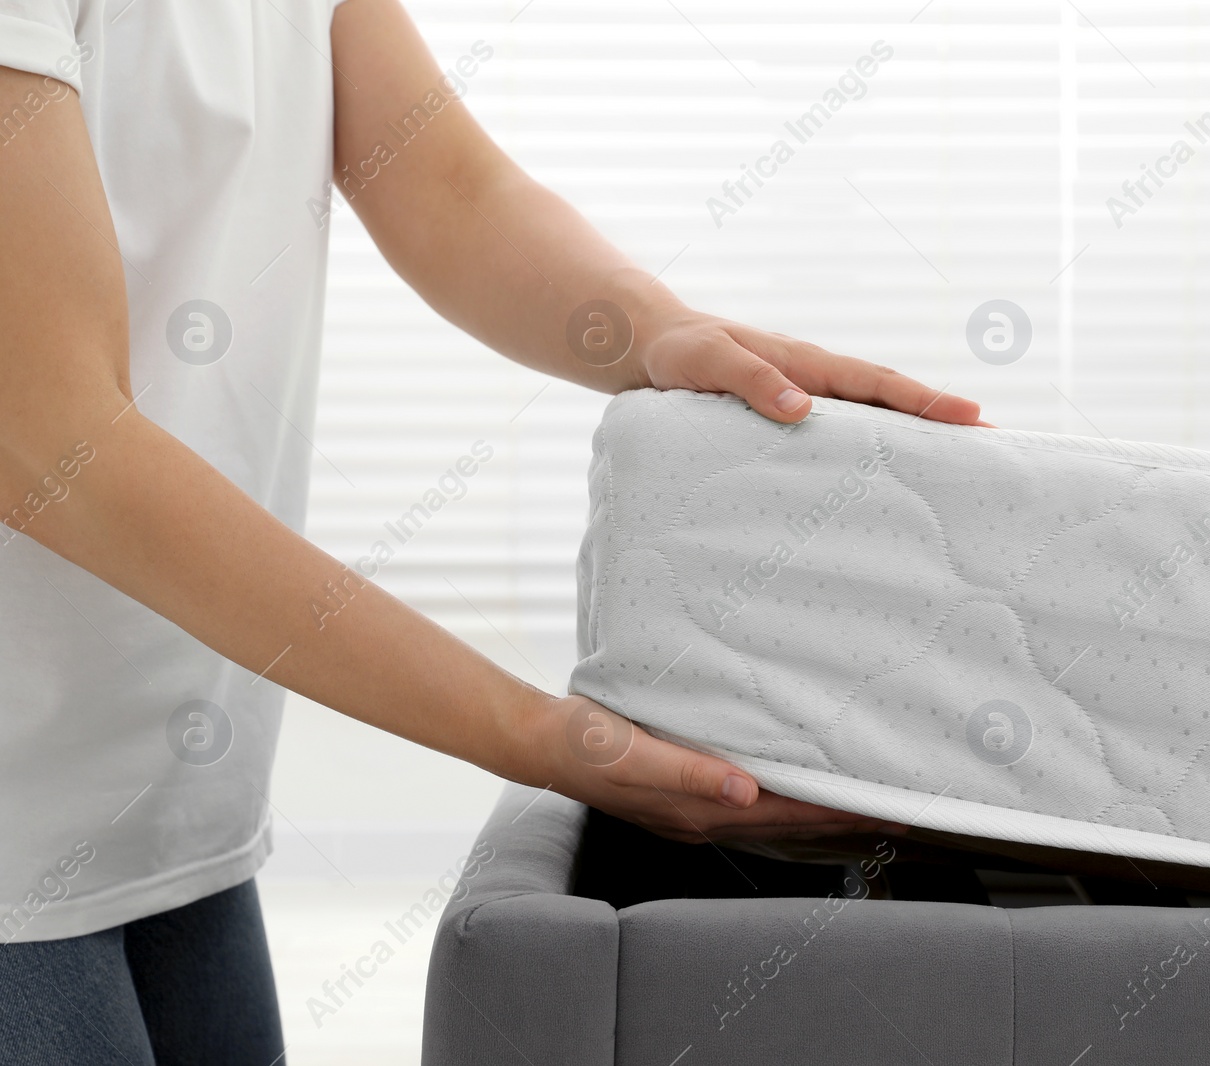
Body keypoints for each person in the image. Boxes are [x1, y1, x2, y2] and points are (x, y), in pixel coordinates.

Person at [0, 0, 983, 1060]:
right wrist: (532, 737)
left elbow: (444, 185)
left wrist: (659, 334)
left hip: (167, 806)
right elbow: (60, 447)